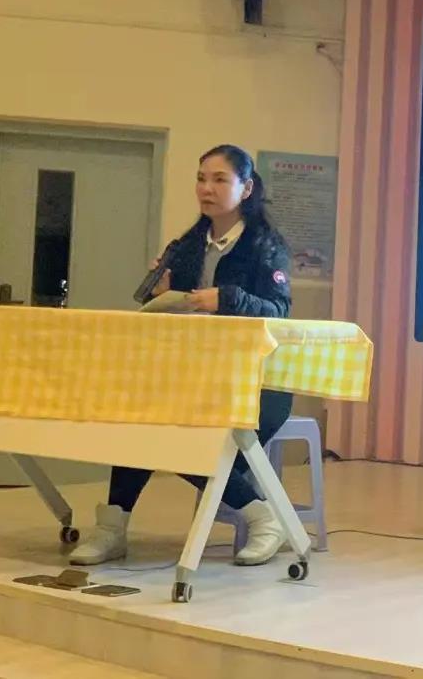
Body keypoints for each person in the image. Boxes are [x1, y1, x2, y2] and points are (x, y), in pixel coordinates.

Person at [70, 145, 293, 567]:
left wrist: (226, 299)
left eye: (220, 179)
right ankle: (112, 528)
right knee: (138, 423)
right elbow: (175, 311)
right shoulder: (187, 245)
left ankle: (264, 518)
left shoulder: (266, 246)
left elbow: (279, 311)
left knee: (187, 440)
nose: (206, 188)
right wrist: (163, 294)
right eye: (201, 179)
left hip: (256, 383)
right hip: (191, 376)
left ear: (246, 189)